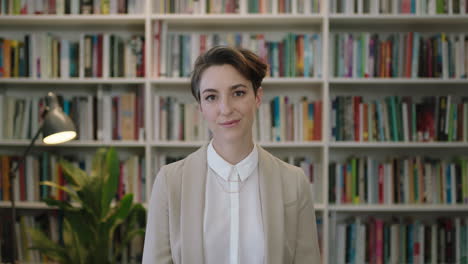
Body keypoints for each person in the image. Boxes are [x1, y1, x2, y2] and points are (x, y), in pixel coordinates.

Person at [142, 46, 321, 264]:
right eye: (211, 97)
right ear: (200, 106)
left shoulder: (294, 182)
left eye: (238, 93)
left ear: (257, 97)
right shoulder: (170, 182)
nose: (225, 109)